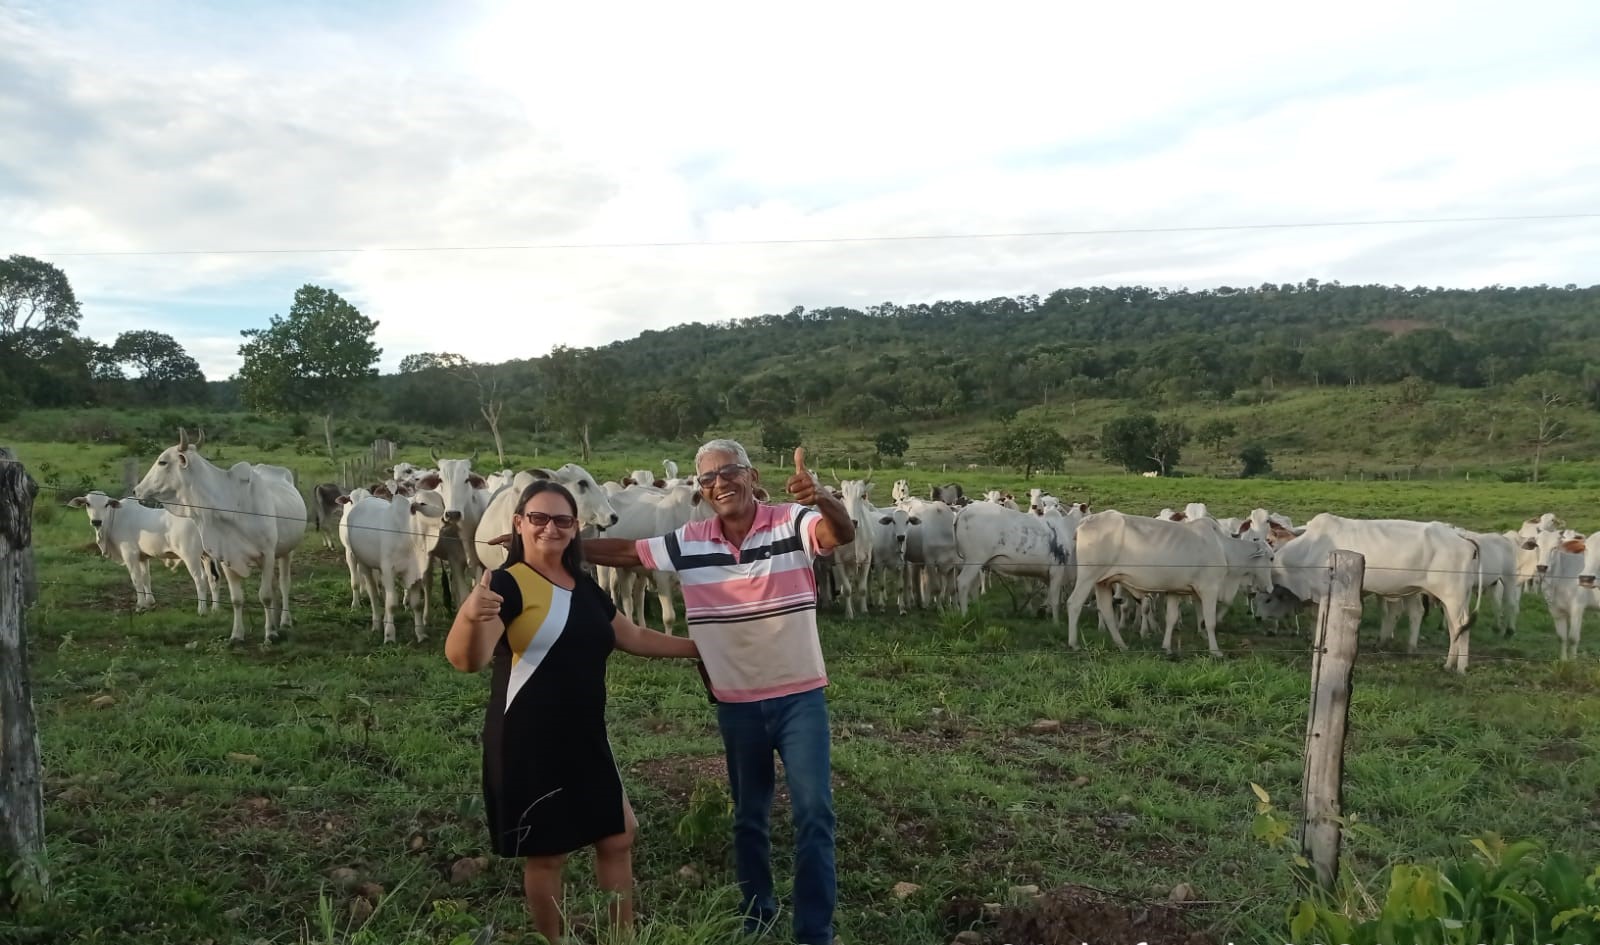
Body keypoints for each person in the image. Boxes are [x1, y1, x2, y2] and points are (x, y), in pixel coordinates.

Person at [585, 439, 854, 945]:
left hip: (800, 701)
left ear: (752, 476)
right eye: (708, 478)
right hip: (737, 704)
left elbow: (840, 533)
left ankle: (814, 932)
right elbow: (627, 552)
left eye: (729, 471)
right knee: (749, 816)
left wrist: (821, 498)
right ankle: (757, 917)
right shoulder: (690, 541)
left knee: (815, 813)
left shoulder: (791, 520)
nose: (720, 483)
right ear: (702, 490)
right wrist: (553, 546)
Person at [445, 480, 700, 944]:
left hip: (584, 733)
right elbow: (468, 660)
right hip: (527, 737)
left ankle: (621, 938)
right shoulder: (505, 584)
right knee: (548, 853)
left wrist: (698, 648)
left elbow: (631, 635)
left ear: (575, 527)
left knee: (618, 835)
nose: (551, 528)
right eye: (538, 518)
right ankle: (554, 941)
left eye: (562, 520)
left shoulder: (582, 585)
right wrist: (469, 616)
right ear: (518, 523)